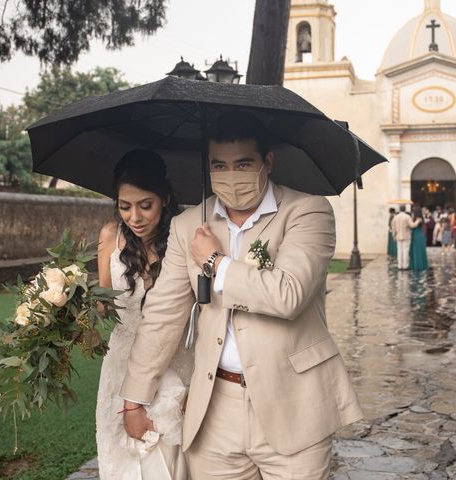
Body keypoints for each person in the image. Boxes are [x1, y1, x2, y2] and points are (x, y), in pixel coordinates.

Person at [120, 111, 363, 479]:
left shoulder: (308, 212)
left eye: (243, 163)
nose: (231, 175)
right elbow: (163, 315)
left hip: (294, 404)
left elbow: (288, 294)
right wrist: (134, 398)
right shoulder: (189, 226)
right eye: (220, 165)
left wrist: (216, 263)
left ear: (267, 162)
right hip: (215, 408)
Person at [95, 151, 192, 479]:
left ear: (164, 198)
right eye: (125, 206)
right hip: (120, 366)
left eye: (144, 205)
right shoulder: (110, 236)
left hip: (173, 362)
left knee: (169, 463)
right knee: (123, 462)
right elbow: (102, 306)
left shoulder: (185, 237)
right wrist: (66, 308)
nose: (134, 217)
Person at [392, 204, 418, 270]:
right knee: (405, 251)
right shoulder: (407, 217)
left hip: (398, 236)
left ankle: (400, 266)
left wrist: (394, 235)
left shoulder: (395, 217)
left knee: (399, 251)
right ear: (405, 209)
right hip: (406, 236)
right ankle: (405, 266)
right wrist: (417, 221)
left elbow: (393, 228)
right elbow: (412, 225)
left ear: (400, 209)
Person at [409, 206, 429, 271]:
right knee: (419, 251)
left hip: (416, 235)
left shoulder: (417, 219)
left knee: (416, 251)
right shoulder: (420, 218)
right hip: (420, 235)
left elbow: (413, 226)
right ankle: (419, 265)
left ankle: (417, 265)